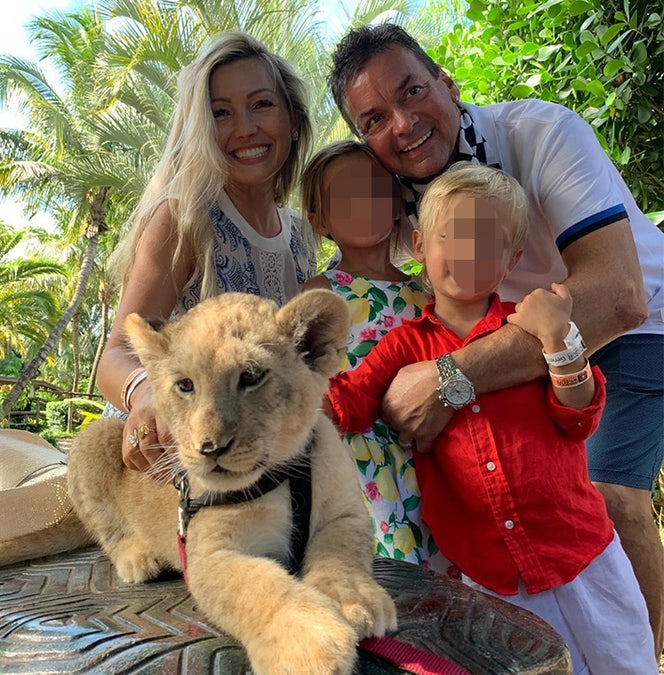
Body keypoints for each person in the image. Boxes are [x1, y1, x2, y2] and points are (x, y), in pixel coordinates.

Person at [329, 23, 664, 653]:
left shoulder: (540, 133)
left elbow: (619, 295)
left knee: (611, 499)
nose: (402, 124)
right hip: (512, 339)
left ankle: (641, 653)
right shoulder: (405, 213)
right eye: (374, 119)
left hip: (637, 322)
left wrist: (451, 379)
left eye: (413, 92)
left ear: (448, 85)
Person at [96, 31, 317, 472]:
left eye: (261, 104)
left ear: (293, 121)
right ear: (200, 128)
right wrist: (145, 397)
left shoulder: (302, 233)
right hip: (165, 460)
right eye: (221, 113)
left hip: (254, 465)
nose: (245, 128)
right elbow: (115, 355)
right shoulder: (185, 220)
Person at [300, 140, 450, 575]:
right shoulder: (322, 291)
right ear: (320, 219)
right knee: (387, 577)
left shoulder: (426, 291)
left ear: (399, 202)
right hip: (363, 463)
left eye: (374, 188)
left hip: (431, 454)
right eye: (345, 194)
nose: (363, 202)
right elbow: (308, 386)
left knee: (447, 577)